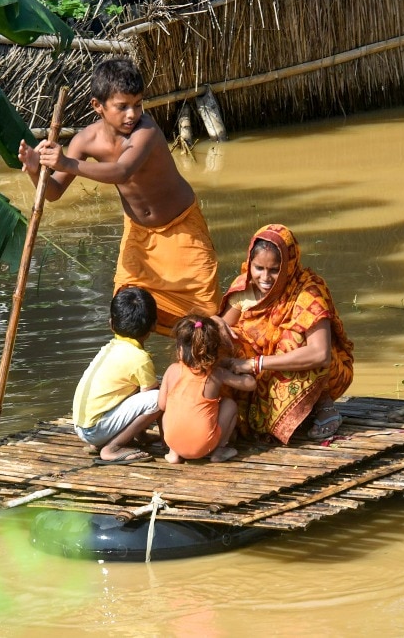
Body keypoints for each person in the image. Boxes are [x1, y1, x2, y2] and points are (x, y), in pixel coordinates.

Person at [18, 57, 219, 334]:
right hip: (138, 235)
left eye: (137, 104)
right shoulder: (85, 141)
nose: (132, 114)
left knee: (203, 322)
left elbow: (123, 171)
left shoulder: (145, 132)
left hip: (182, 229)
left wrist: (66, 163)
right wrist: (33, 171)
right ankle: (136, 375)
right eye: (122, 107)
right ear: (97, 106)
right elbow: (53, 192)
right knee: (126, 316)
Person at [218, 224, 354, 444]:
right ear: (250, 263)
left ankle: (323, 405)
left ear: (289, 266)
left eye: (274, 270)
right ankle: (240, 414)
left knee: (294, 340)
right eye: (258, 268)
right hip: (260, 371)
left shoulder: (309, 292)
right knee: (224, 343)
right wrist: (212, 326)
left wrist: (256, 364)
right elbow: (222, 330)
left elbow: (320, 354)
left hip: (314, 371)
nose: (265, 277)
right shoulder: (243, 288)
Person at [72, 286, 162, 465]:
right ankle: (113, 447)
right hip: (95, 430)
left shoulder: (110, 348)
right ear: (154, 325)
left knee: (139, 390)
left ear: (111, 324)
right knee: (159, 397)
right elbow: (149, 398)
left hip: (82, 427)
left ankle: (125, 438)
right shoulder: (139, 358)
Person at [158, 315, 255, 463]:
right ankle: (219, 450)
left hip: (173, 440)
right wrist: (235, 364)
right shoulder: (216, 374)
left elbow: (162, 405)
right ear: (215, 350)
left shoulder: (172, 370)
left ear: (180, 350)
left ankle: (173, 453)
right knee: (229, 405)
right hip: (203, 447)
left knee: (169, 411)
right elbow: (250, 384)